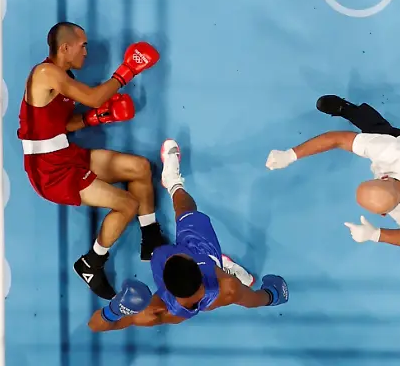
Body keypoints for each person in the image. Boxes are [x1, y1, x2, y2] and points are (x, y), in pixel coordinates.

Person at [17, 21, 167, 300]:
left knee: (140, 168)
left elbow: (63, 125)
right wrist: (127, 70)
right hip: (50, 171)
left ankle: (150, 237)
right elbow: (95, 98)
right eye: (82, 45)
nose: (86, 51)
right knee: (127, 204)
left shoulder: (62, 76)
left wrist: (95, 118)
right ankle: (92, 262)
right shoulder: (47, 73)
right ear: (65, 47)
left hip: (64, 154)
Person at [87, 139, 290, 332]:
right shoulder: (228, 288)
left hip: (190, 275)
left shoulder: (158, 310)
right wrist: (274, 294)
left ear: (165, 282)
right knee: (186, 211)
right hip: (205, 255)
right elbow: (255, 300)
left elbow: (95, 326)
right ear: (197, 265)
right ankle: (174, 183)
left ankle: (172, 181)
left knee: (171, 235)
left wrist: (113, 311)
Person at [265, 95, 400, 248]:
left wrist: (375, 234)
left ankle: (345, 109)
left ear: (384, 214)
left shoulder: (393, 153)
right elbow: (337, 139)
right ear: (386, 179)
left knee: (380, 131)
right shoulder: (392, 155)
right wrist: (289, 155)